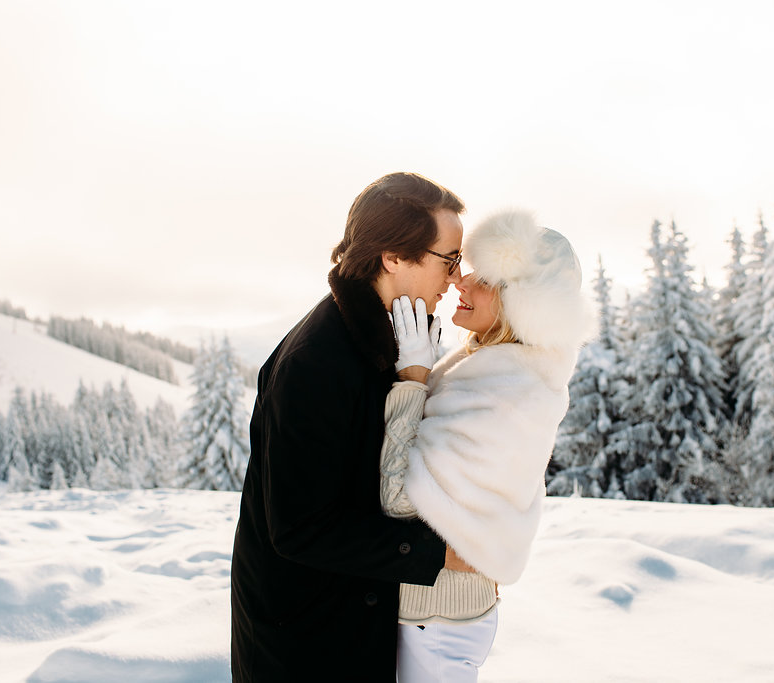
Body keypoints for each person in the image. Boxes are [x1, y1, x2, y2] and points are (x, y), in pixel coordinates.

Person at [230, 172, 478, 682]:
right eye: (449, 259)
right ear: (393, 257)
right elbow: (300, 528)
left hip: (349, 627)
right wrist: (435, 553)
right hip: (304, 647)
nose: (456, 278)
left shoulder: (391, 334)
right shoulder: (316, 363)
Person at [380, 209, 593, 682]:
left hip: (435, 620)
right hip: (436, 610)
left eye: (485, 279)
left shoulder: (505, 392)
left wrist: (413, 380)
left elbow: (399, 499)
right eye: (465, 269)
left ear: (523, 304)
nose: (462, 283)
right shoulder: (497, 366)